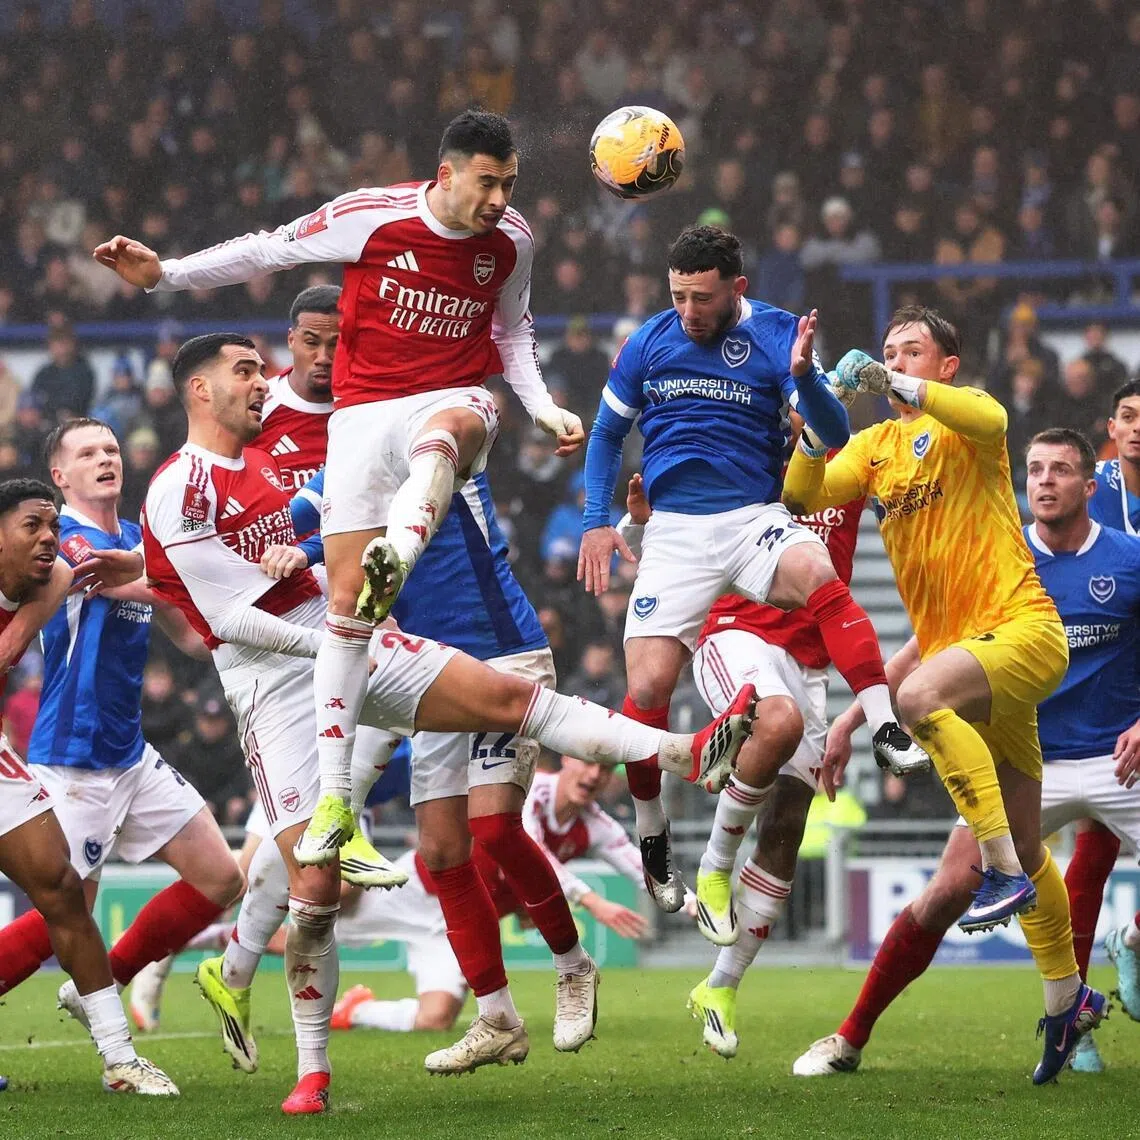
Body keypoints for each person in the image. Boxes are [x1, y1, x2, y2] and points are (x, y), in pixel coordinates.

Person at [134, 333, 755, 1110]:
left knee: (491, 808)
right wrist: (147, 571)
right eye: (249, 370)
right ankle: (330, 1050)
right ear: (199, 389)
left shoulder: (441, 421)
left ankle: (680, 765)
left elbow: (350, 504)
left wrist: (542, 419)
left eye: (271, 368)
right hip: (294, 673)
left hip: (434, 642)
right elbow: (228, 591)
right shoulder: (201, 480)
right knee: (374, 868)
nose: (270, 382)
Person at [92, 110, 585, 869]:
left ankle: (405, 548)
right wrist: (168, 274)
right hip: (350, 477)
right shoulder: (370, 219)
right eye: (487, 183)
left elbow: (511, 332)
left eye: (509, 184)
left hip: (448, 407)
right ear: (446, 174)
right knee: (350, 621)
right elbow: (271, 247)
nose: (498, 200)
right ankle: (325, 813)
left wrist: (540, 402)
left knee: (445, 437)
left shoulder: (512, 238)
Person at [577, 224, 924, 914]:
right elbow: (608, 432)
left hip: (752, 519)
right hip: (675, 535)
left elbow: (835, 433)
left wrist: (802, 378)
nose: (688, 312)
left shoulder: (778, 334)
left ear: (736, 288)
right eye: (678, 296)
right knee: (644, 693)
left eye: (701, 298)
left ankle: (886, 726)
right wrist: (594, 519)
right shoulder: (649, 340)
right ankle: (652, 836)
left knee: (821, 578)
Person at [793, 430, 1118, 1081]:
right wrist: (859, 716)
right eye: (1035, 469)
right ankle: (852, 1035)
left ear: (1091, 485)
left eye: (1061, 470)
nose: (1045, 481)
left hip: (1116, 758)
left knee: (1041, 861)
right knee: (951, 886)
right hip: (1025, 747)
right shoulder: (1000, 547)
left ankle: (1096, 974)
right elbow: (924, 648)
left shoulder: (1127, 559)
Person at [291, 457, 608, 1071]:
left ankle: (573, 967)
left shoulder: (442, 443)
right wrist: (288, 546)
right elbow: (323, 521)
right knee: (441, 853)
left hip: (501, 656)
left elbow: (390, 527)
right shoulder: (358, 455)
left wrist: (300, 546)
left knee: (492, 827)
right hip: (430, 671)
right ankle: (497, 1019)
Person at [0, 419, 244, 1031]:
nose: (106, 458)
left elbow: (190, 639)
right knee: (65, 910)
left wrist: (247, 637)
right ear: (60, 476)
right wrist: (183, 577)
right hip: (75, 753)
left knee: (220, 877)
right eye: (87, 453)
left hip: (129, 752)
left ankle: (102, 986)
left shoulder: (140, 543)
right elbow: (122, 579)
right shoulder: (64, 542)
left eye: (111, 448)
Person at [0, 478, 175, 1096]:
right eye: (33, 527)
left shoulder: (48, 580)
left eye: (55, 526)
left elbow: (13, 646)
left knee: (64, 890)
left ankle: (120, 1058)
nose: (51, 538)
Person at [334, 754, 647, 1037]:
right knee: (298, 931)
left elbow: (527, 876)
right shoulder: (526, 797)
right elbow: (524, 852)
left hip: (459, 925)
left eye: (604, 769)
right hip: (417, 889)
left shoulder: (590, 828)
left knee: (436, 1019)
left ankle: (357, 1009)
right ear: (566, 760)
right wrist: (591, 901)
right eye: (588, 764)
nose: (594, 775)